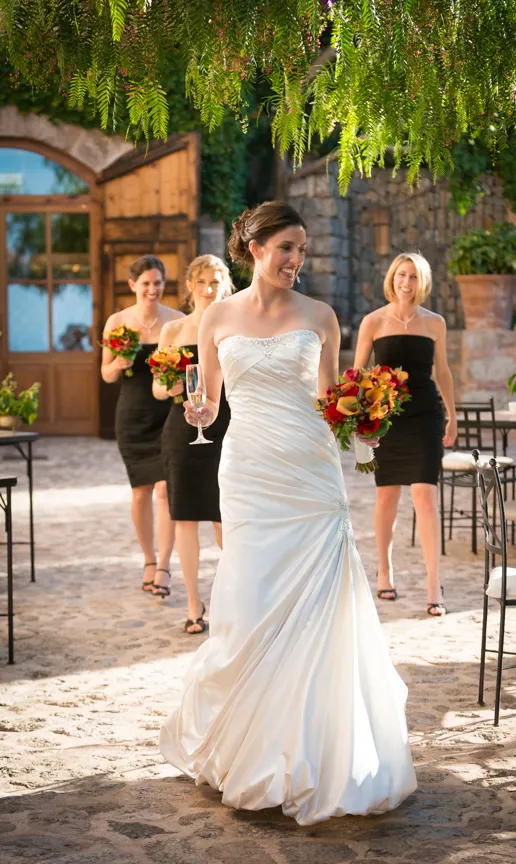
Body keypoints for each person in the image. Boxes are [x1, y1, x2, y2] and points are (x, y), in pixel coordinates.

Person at [159, 201, 416, 826]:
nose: (296, 261)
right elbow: (213, 400)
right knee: (250, 596)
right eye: (286, 249)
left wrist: (363, 416)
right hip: (248, 471)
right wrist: (199, 414)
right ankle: (248, 740)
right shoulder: (217, 317)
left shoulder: (321, 316)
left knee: (320, 602)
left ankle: (316, 749)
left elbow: (329, 397)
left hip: (309, 469)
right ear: (254, 249)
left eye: (302, 250)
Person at [354, 253, 457, 616]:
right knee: (386, 499)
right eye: (401, 275)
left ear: (421, 282)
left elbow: (441, 372)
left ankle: (433, 585)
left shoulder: (435, 323)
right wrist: (361, 418)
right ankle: (384, 570)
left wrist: (453, 416)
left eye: (413, 276)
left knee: (425, 498)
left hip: (426, 415)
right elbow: (357, 376)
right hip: (387, 420)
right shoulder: (373, 321)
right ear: (391, 278)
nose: (406, 282)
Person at [153, 255, 233, 627]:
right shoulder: (173, 331)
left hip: (227, 428)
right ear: (190, 287)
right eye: (201, 282)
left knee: (224, 517)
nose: (208, 289)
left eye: (215, 282)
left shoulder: (236, 327)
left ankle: (232, 601)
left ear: (225, 285)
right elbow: (157, 387)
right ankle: (193, 605)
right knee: (184, 517)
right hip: (182, 430)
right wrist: (167, 385)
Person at [101, 255, 183, 594]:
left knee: (165, 491)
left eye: (158, 282)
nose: (153, 289)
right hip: (132, 417)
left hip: (168, 415)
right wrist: (118, 362)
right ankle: (148, 559)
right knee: (140, 494)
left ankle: (164, 566)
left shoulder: (176, 322)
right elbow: (106, 375)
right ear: (133, 285)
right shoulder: (117, 322)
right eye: (146, 283)